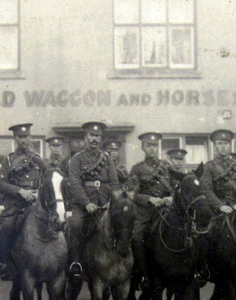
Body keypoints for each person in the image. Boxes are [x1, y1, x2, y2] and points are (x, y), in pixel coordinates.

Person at [66, 121, 119, 277]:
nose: (94, 139)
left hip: (105, 203)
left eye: (97, 136)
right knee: (75, 224)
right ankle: (75, 261)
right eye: (92, 135)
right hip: (84, 204)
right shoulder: (77, 159)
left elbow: (114, 183)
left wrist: (113, 202)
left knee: (122, 225)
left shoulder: (107, 158)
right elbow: (74, 184)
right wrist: (86, 202)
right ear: (86, 137)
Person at [0, 123, 46, 277]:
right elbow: (1, 184)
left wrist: (38, 193)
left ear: (30, 137)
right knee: (6, 227)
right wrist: (20, 191)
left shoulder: (38, 160)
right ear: (15, 138)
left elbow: (47, 180)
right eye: (20, 137)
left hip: (35, 204)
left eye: (26, 136)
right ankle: (3, 263)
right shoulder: (9, 160)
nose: (24, 140)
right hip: (15, 204)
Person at [128, 132, 174, 287]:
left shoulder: (167, 167)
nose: (152, 149)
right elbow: (132, 194)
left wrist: (171, 198)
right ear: (143, 147)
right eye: (149, 146)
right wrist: (149, 199)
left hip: (166, 209)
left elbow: (175, 188)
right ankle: (143, 274)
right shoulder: (137, 169)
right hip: (145, 211)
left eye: (154, 146)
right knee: (135, 237)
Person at [200, 129, 236, 215]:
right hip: (217, 209)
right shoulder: (208, 166)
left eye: (226, 143)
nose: (223, 146)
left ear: (230, 146)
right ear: (215, 146)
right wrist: (220, 206)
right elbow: (206, 190)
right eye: (220, 143)